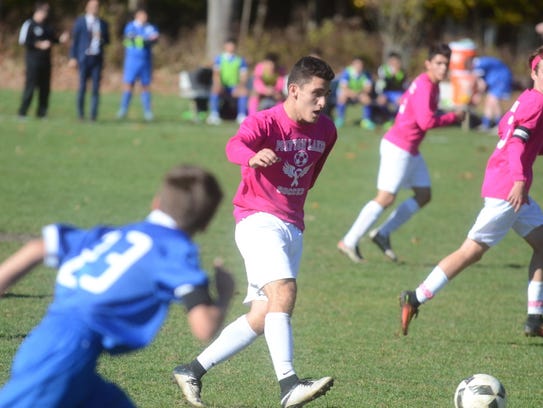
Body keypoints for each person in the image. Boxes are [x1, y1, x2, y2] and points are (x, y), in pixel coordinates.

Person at [173, 56, 337, 408]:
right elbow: (234, 145)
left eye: (327, 95)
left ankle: (192, 370)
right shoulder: (265, 121)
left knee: (263, 315)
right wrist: (251, 157)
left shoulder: (327, 130)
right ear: (294, 91)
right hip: (257, 220)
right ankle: (289, 384)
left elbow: (311, 176)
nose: (323, 103)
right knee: (284, 291)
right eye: (317, 94)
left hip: (293, 225)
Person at [0, 163, 235, 407]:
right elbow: (204, 326)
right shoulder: (175, 251)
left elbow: (39, 247)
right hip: (66, 354)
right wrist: (225, 293)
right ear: (205, 224)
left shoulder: (116, 234)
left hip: (55, 340)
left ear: (156, 203)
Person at [400, 47, 543, 337]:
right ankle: (415, 297)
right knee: (470, 252)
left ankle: (535, 318)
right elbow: (515, 142)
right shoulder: (537, 103)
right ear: (534, 72)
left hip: (510, 186)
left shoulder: (526, 99)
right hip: (509, 189)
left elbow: (506, 127)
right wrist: (518, 178)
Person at [337, 44, 465, 263]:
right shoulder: (426, 85)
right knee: (385, 197)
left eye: (446, 64)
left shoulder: (427, 83)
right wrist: (453, 117)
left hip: (410, 149)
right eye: (439, 63)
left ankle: (382, 233)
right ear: (428, 64)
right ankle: (349, 240)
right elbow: (425, 122)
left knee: (424, 194)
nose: (443, 68)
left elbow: (413, 107)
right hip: (399, 147)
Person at [17, 2, 68, 119]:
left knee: (45, 88)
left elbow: (53, 39)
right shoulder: (29, 24)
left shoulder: (47, 26)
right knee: (30, 86)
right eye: (45, 11)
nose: (47, 14)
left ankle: (42, 113)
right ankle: (22, 112)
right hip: (33, 61)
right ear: (38, 11)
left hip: (46, 61)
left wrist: (61, 40)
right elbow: (23, 41)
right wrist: (39, 44)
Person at [69, 0, 110, 122]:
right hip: (84, 58)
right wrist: (72, 57)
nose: (94, 8)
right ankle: (80, 115)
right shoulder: (80, 22)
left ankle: (93, 116)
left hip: (96, 59)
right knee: (82, 87)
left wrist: (101, 37)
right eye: (92, 6)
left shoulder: (102, 23)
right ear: (87, 7)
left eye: (96, 6)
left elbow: (108, 41)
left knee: (96, 88)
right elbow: (74, 41)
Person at [117, 8, 159, 121]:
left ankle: (147, 112)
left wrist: (141, 40)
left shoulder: (150, 27)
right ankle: (123, 110)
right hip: (132, 60)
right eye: (142, 15)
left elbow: (154, 40)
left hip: (145, 61)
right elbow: (129, 39)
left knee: (145, 86)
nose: (144, 17)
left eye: (146, 15)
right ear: (137, 16)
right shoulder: (130, 26)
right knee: (128, 84)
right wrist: (144, 40)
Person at [207, 38, 249, 125]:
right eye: (229, 45)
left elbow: (243, 76)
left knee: (243, 92)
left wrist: (240, 86)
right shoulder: (219, 59)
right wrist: (219, 84)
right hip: (222, 85)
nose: (230, 47)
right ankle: (214, 114)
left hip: (234, 86)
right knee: (215, 89)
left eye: (232, 46)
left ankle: (241, 115)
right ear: (225, 46)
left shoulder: (240, 60)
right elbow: (216, 74)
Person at [470, 56, 513, 131]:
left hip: (500, 79)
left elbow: (482, 84)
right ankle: (486, 124)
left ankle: (499, 126)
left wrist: (477, 95)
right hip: (496, 80)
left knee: (494, 100)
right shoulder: (480, 63)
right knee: (489, 100)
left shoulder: (479, 64)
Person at [334, 56, 375, 129]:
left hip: (359, 93)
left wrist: (359, 93)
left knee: (367, 99)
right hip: (348, 93)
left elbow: (368, 89)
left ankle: (366, 120)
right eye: (357, 64)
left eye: (361, 65)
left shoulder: (366, 74)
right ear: (353, 64)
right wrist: (352, 93)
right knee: (342, 96)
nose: (359, 66)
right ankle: (340, 119)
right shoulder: (347, 72)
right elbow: (343, 87)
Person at [374, 51, 408, 128]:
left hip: (397, 93)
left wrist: (396, 74)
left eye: (396, 61)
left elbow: (402, 85)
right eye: (392, 61)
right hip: (386, 92)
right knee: (381, 101)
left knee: (401, 101)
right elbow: (383, 82)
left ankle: (395, 119)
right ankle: (387, 118)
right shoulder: (383, 69)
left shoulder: (401, 72)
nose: (394, 63)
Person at [248, 52, 286, 116]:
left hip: (274, 92)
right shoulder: (259, 68)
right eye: (268, 64)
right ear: (264, 63)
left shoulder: (280, 70)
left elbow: (280, 84)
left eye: (272, 65)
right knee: (254, 93)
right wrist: (265, 90)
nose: (270, 67)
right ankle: (252, 115)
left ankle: (280, 115)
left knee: (280, 96)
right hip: (262, 92)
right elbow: (257, 84)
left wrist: (273, 91)